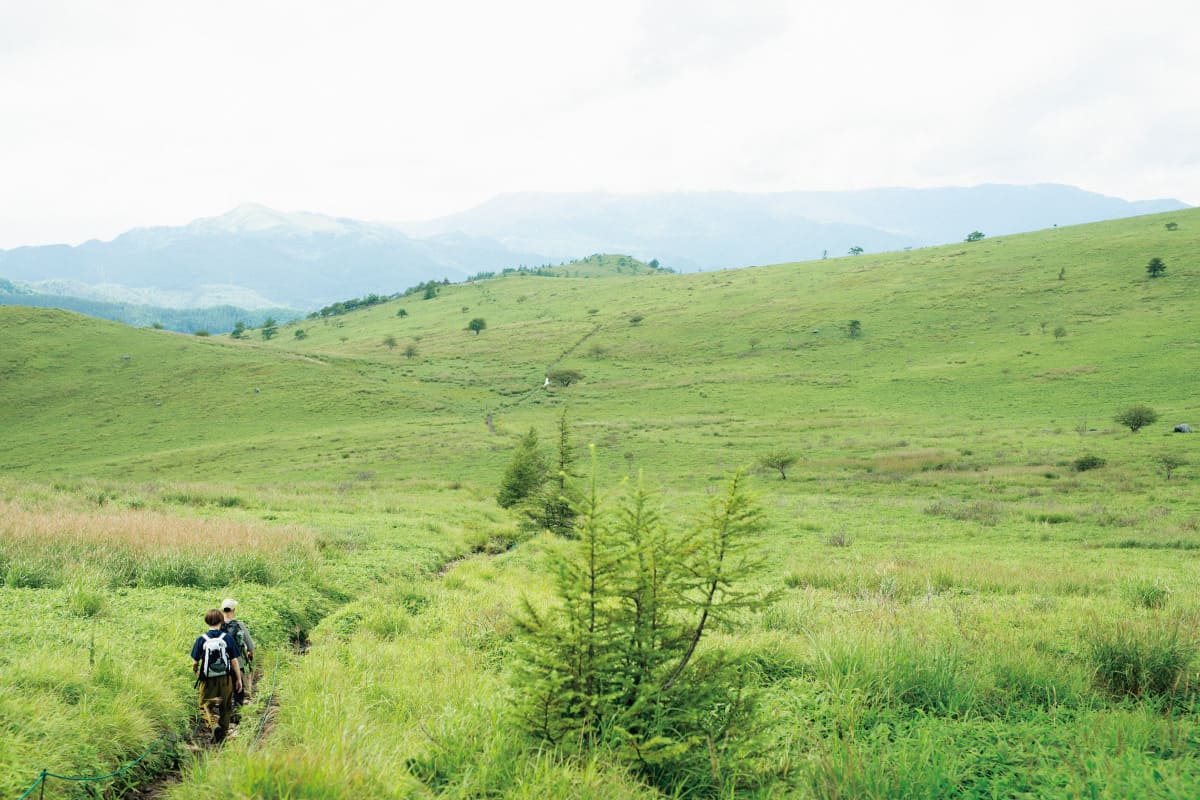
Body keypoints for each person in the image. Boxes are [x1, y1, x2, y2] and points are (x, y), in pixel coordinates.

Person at [191, 608, 242, 744]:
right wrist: (238, 679)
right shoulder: (227, 638)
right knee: (225, 707)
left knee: (204, 705)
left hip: (207, 680)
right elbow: (234, 660)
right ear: (221, 621)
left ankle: (213, 725)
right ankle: (222, 737)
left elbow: (195, 661)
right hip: (226, 679)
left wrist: (195, 670)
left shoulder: (201, 639)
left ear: (207, 621)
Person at [220, 598, 256, 705]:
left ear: (222, 610)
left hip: (220, 663)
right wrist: (250, 652)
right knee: (238, 685)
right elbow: (249, 644)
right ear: (233, 610)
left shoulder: (217, 624)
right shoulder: (239, 625)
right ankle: (238, 708)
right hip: (237, 661)